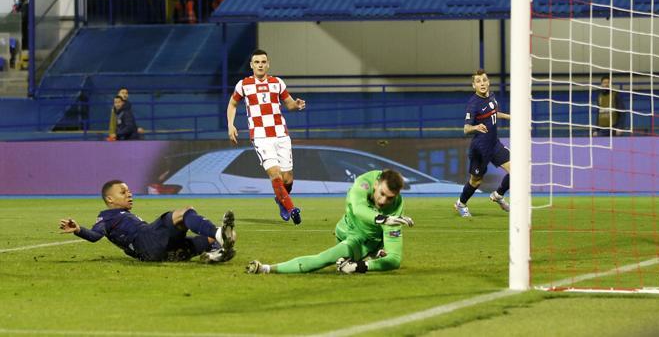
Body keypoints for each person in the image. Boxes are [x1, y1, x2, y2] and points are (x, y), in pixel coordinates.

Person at [245, 169, 414, 275]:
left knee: (381, 254)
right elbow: (358, 209)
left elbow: (395, 259)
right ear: (376, 184)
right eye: (382, 194)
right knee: (323, 259)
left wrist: (361, 267)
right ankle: (266, 268)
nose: (383, 201)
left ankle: (362, 259)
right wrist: (384, 219)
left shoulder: (396, 208)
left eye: (390, 198)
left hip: (367, 243)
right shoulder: (363, 183)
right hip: (351, 233)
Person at [59, 180, 236, 263]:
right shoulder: (106, 217)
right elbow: (95, 236)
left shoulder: (121, 214)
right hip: (146, 241)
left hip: (157, 251)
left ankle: (215, 253)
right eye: (123, 192)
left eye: (129, 191)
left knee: (208, 239)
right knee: (183, 213)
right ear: (110, 199)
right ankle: (220, 234)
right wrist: (78, 229)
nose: (129, 194)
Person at [226, 49, 307, 224]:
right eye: (257, 62)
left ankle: (280, 199)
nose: (260, 65)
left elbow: (289, 104)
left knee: (288, 179)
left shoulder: (277, 83)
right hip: (261, 137)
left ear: (268, 64)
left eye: (263, 62)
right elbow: (232, 104)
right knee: (275, 174)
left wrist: (296, 105)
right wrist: (230, 124)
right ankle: (292, 208)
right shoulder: (244, 85)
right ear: (251, 65)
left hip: (281, 135)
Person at [455, 69, 511, 217]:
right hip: (480, 149)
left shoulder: (492, 96)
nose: (482, 83)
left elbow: (493, 112)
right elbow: (466, 129)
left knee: (517, 171)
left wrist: (509, 116)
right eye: (478, 81)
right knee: (476, 181)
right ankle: (461, 203)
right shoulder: (473, 104)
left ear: (488, 82)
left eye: (484, 80)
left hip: (494, 144)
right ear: (474, 86)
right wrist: (476, 127)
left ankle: (498, 196)